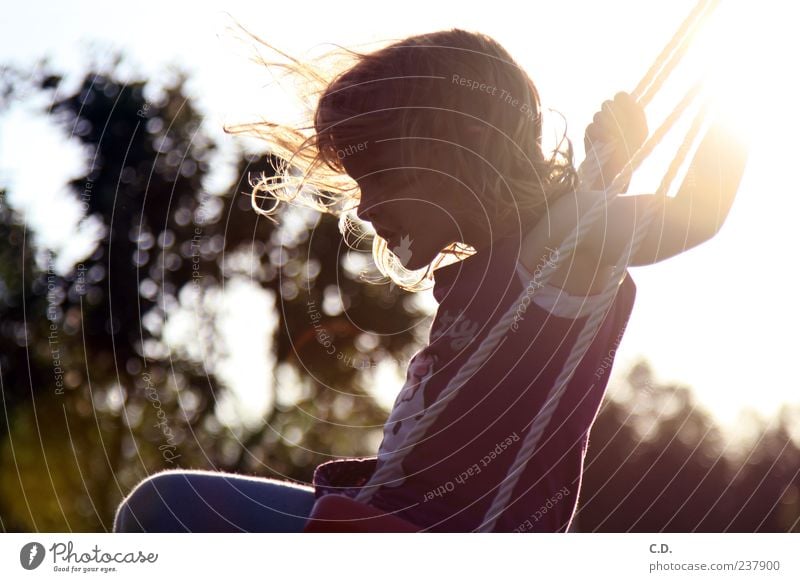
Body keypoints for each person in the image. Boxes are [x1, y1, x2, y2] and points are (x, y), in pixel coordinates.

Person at [113, 28, 748, 532]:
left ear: (454, 154)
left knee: (163, 510)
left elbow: (694, 215)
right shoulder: (520, 260)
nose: (362, 208)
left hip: (435, 538)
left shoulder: (557, 244)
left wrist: (745, 84)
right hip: (395, 519)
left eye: (380, 177)